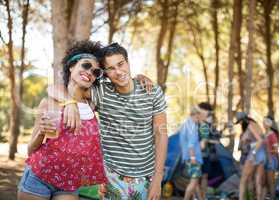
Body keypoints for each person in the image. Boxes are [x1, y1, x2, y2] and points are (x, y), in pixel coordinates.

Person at [47, 42, 168, 200]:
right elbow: (53, 88)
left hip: (145, 177)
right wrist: (69, 102)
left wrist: (158, 179)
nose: (118, 72)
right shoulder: (102, 93)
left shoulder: (151, 91)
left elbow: (161, 135)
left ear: (128, 62)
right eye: (111, 68)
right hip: (110, 177)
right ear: (104, 73)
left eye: (121, 64)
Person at [18, 40, 108, 200]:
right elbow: (30, 150)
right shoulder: (49, 102)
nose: (90, 73)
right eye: (86, 66)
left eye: (96, 72)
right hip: (39, 177)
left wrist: (141, 79)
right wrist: (41, 133)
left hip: (69, 184)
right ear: (72, 66)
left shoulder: (93, 106)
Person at [235, 112, 266, 200]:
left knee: (243, 180)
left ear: (243, 120)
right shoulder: (256, 125)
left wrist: (253, 153)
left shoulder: (250, 126)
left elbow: (260, 140)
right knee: (257, 180)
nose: (240, 124)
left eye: (240, 122)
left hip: (255, 153)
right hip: (262, 154)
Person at [179, 106, 203, 200]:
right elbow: (191, 145)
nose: (200, 118)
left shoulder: (185, 124)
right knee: (193, 182)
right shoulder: (192, 126)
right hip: (194, 158)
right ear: (196, 115)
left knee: (195, 182)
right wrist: (193, 159)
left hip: (187, 157)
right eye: (200, 116)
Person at [197, 102, 213, 200]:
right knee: (196, 179)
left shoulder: (205, 125)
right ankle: (200, 197)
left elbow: (205, 140)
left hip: (205, 155)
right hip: (198, 155)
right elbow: (202, 142)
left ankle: (202, 197)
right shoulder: (197, 124)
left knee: (204, 177)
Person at [263, 116, 279, 200]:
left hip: (271, 160)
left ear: (269, 123)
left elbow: (276, 150)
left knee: (271, 182)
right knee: (265, 182)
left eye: (265, 122)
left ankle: (272, 198)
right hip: (265, 160)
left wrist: (267, 152)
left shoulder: (272, 135)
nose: (263, 124)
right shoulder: (265, 134)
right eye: (263, 122)